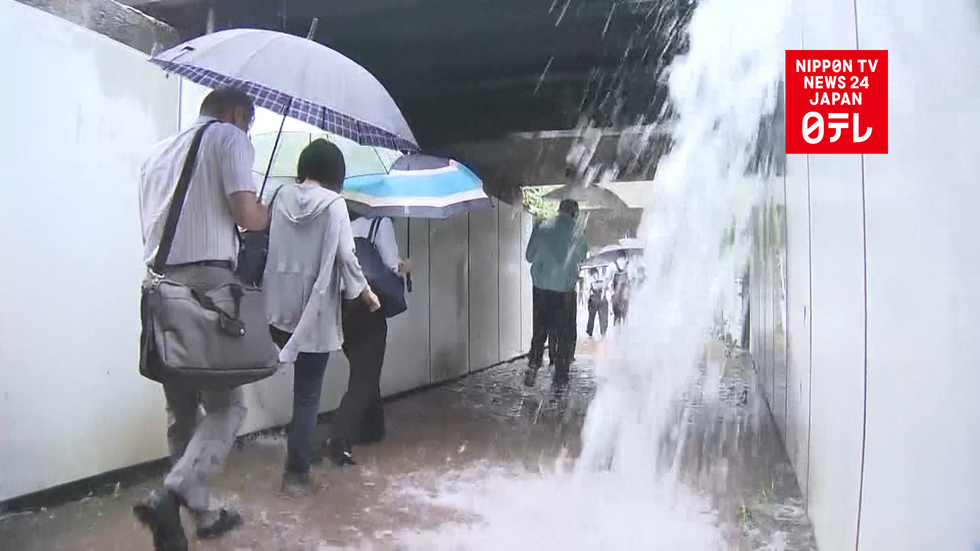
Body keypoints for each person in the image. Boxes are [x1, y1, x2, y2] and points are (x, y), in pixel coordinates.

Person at [134, 87, 270, 549]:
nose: (246, 131)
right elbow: (248, 215)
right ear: (236, 113)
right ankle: (171, 494)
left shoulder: (156, 155)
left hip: (161, 289)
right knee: (228, 406)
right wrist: (265, 211)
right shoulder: (229, 138)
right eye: (248, 122)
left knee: (182, 409)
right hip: (210, 288)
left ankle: (203, 516)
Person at [263, 139, 381, 497]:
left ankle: (299, 453)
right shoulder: (335, 205)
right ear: (336, 175)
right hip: (313, 318)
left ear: (304, 167)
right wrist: (364, 293)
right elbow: (346, 256)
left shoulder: (280, 196)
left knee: (300, 394)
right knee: (307, 396)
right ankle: (296, 475)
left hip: (279, 312)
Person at [325, 214, 413, 466]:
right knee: (365, 376)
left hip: (341, 307)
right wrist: (405, 266)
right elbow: (391, 263)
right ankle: (339, 439)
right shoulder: (379, 223)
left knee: (363, 368)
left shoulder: (335, 220)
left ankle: (372, 429)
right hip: (367, 306)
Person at [524, 199, 588, 388]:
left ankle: (533, 365)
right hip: (564, 290)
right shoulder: (577, 231)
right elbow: (582, 256)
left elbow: (528, 256)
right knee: (565, 334)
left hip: (541, 287)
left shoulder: (541, 225)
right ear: (574, 213)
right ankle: (560, 375)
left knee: (540, 329)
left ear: (559, 209)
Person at [585, 267, 609, 338]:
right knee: (603, 317)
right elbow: (606, 288)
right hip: (602, 299)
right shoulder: (602, 278)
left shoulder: (589, 279)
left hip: (593, 299)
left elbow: (588, 290)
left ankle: (590, 332)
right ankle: (603, 332)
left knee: (591, 317)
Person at [610, 251, 632, 326]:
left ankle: (617, 332)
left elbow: (607, 279)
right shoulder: (629, 265)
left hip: (616, 294)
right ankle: (625, 332)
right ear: (625, 256)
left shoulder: (613, 265)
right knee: (625, 316)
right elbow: (632, 279)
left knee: (616, 316)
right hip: (626, 294)